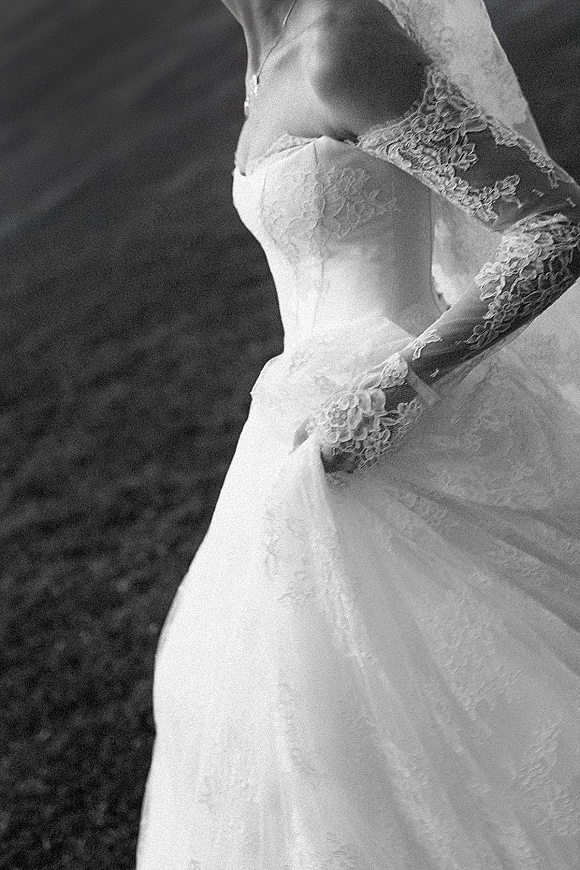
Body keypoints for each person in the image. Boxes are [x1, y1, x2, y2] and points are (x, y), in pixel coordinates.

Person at [136, 0, 580, 866]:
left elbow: (554, 224)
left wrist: (393, 396)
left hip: (408, 421)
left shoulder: (342, 42)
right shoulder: (261, 58)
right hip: (296, 428)